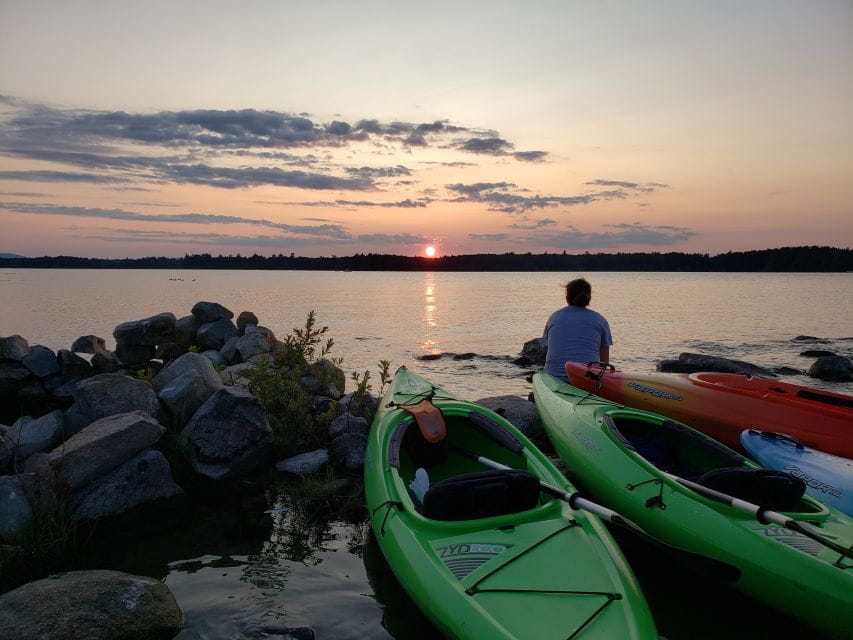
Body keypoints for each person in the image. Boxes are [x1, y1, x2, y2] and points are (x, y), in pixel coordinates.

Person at [543, 278, 612, 380]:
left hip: (555, 377)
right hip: (588, 380)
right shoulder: (600, 320)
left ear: (567, 298)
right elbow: (604, 363)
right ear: (589, 298)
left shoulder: (554, 317)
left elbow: (547, 347)